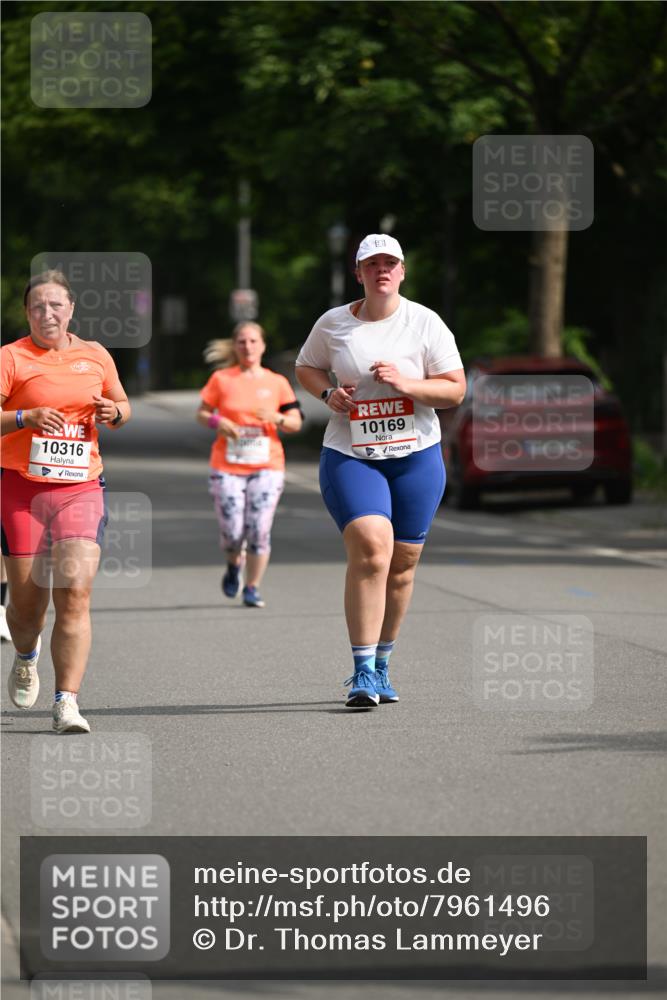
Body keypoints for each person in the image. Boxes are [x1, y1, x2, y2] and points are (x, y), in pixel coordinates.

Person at [296, 233, 466, 708]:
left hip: (416, 456)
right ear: (359, 274)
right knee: (373, 548)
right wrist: (328, 395)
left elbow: (454, 390)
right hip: (352, 455)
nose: (382, 270)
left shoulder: (425, 323)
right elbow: (307, 366)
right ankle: (363, 670)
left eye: (390, 263)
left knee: (403, 565)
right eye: (372, 264)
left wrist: (407, 384)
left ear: (403, 271)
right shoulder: (334, 324)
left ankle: (384, 661)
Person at [0, 269, 131, 733]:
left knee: (74, 593)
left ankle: (67, 702)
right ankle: (24, 654)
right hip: (20, 489)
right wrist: (24, 416)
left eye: (56, 304)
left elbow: (122, 405)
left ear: (71, 308)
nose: (47, 313)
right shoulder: (11, 357)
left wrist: (115, 413)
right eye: (38, 306)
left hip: (80, 486)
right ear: (27, 313)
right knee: (27, 608)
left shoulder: (94, 355)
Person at [197, 322, 302, 608]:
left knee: (259, 528)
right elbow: (203, 413)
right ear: (235, 346)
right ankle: (234, 564)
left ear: (263, 345)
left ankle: (252, 586)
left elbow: (295, 422)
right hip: (227, 465)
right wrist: (220, 422)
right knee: (232, 531)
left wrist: (276, 417)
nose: (248, 347)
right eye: (242, 342)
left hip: (267, 465)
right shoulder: (222, 379)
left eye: (254, 341)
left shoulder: (276, 382)